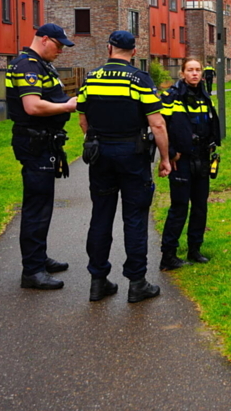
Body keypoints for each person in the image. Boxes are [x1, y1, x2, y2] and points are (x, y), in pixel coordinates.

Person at [78, 31, 171, 303]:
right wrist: (164, 158)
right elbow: (157, 124)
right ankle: (137, 282)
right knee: (134, 217)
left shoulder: (91, 78)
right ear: (133, 51)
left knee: (101, 216)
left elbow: (83, 119)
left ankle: (98, 281)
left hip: (100, 155)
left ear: (109, 48)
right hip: (132, 154)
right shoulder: (140, 80)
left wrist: (95, 139)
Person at [5, 23, 78, 290]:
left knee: (43, 203)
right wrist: (68, 105)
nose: (60, 51)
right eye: (58, 45)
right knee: (37, 206)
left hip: (43, 142)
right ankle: (32, 271)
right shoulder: (28, 66)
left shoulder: (40, 64)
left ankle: (38, 258)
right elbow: (33, 106)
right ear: (44, 39)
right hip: (35, 142)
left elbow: (51, 95)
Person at [159, 58, 221, 270]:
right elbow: (160, 126)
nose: (194, 74)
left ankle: (195, 249)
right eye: (190, 70)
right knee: (179, 207)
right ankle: (168, 255)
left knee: (200, 206)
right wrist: (169, 153)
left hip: (202, 157)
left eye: (197, 70)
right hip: (181, 159)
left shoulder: (204, 95)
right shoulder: (171, 96)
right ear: (182, 73)